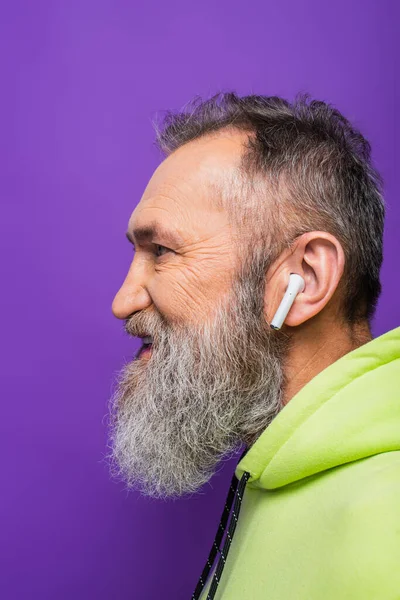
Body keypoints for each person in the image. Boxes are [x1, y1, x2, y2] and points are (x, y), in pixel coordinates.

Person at [107, 93, 400, 599]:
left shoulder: (387, 518)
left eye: (162, 251)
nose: (122, 301)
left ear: (303, 279)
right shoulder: (267, 472)